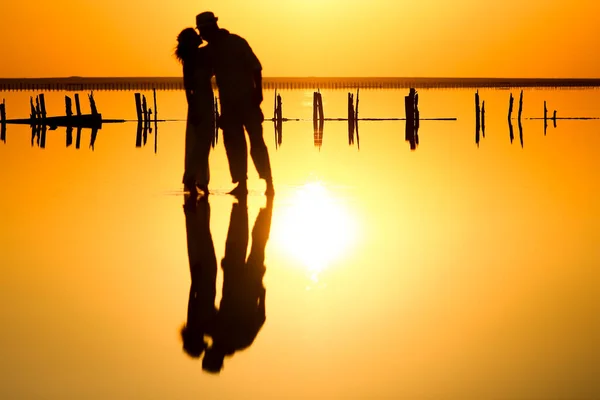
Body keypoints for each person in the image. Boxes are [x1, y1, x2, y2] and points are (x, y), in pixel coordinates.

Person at [195, 12, 274, 196]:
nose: (202, 36)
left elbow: (256, 67)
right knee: (234, 144)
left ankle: (269, 183)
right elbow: (202, 69)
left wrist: (259, 93)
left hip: (247, 100)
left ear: (210, 28)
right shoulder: (211, 50)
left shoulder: (236, 42)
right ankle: (243, 184)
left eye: (202, 32)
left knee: (256, 142)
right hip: (229, 105)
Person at [175, 28, 215, 196]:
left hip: (204, 101)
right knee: (201, 143)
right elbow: (188, 87)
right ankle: (192, 178)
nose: (200, 37)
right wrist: (193, 108)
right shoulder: (193, 59)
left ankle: (200, 180)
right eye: (196, 36)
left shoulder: (198, 56)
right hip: (200, 103)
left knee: (201, 142)